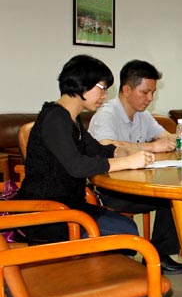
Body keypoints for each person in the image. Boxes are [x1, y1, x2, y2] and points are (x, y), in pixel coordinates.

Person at [18, 54, 153, 244]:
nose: (104, 96)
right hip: (48, 216)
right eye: (102, 88)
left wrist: (121, 152)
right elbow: (77, 166)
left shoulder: (71, 118)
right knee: (127, 232)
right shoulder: (55, 118)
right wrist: (127, 162)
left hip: (69, 208)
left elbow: (96, 149)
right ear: (82, 83)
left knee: (127, 227)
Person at [88, 59, 182, 274]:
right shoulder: (106, 114)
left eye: (153, 92)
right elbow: (105, 145)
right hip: (109, 188)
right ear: (126, 90)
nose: (150, 98)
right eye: (145, 92)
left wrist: (179, 137)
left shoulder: (143, 115)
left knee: (175, 191)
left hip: (137, 180)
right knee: (170, 198)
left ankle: (161, 255)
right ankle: (159, 256)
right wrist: (152, 146)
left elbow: (164, 135)